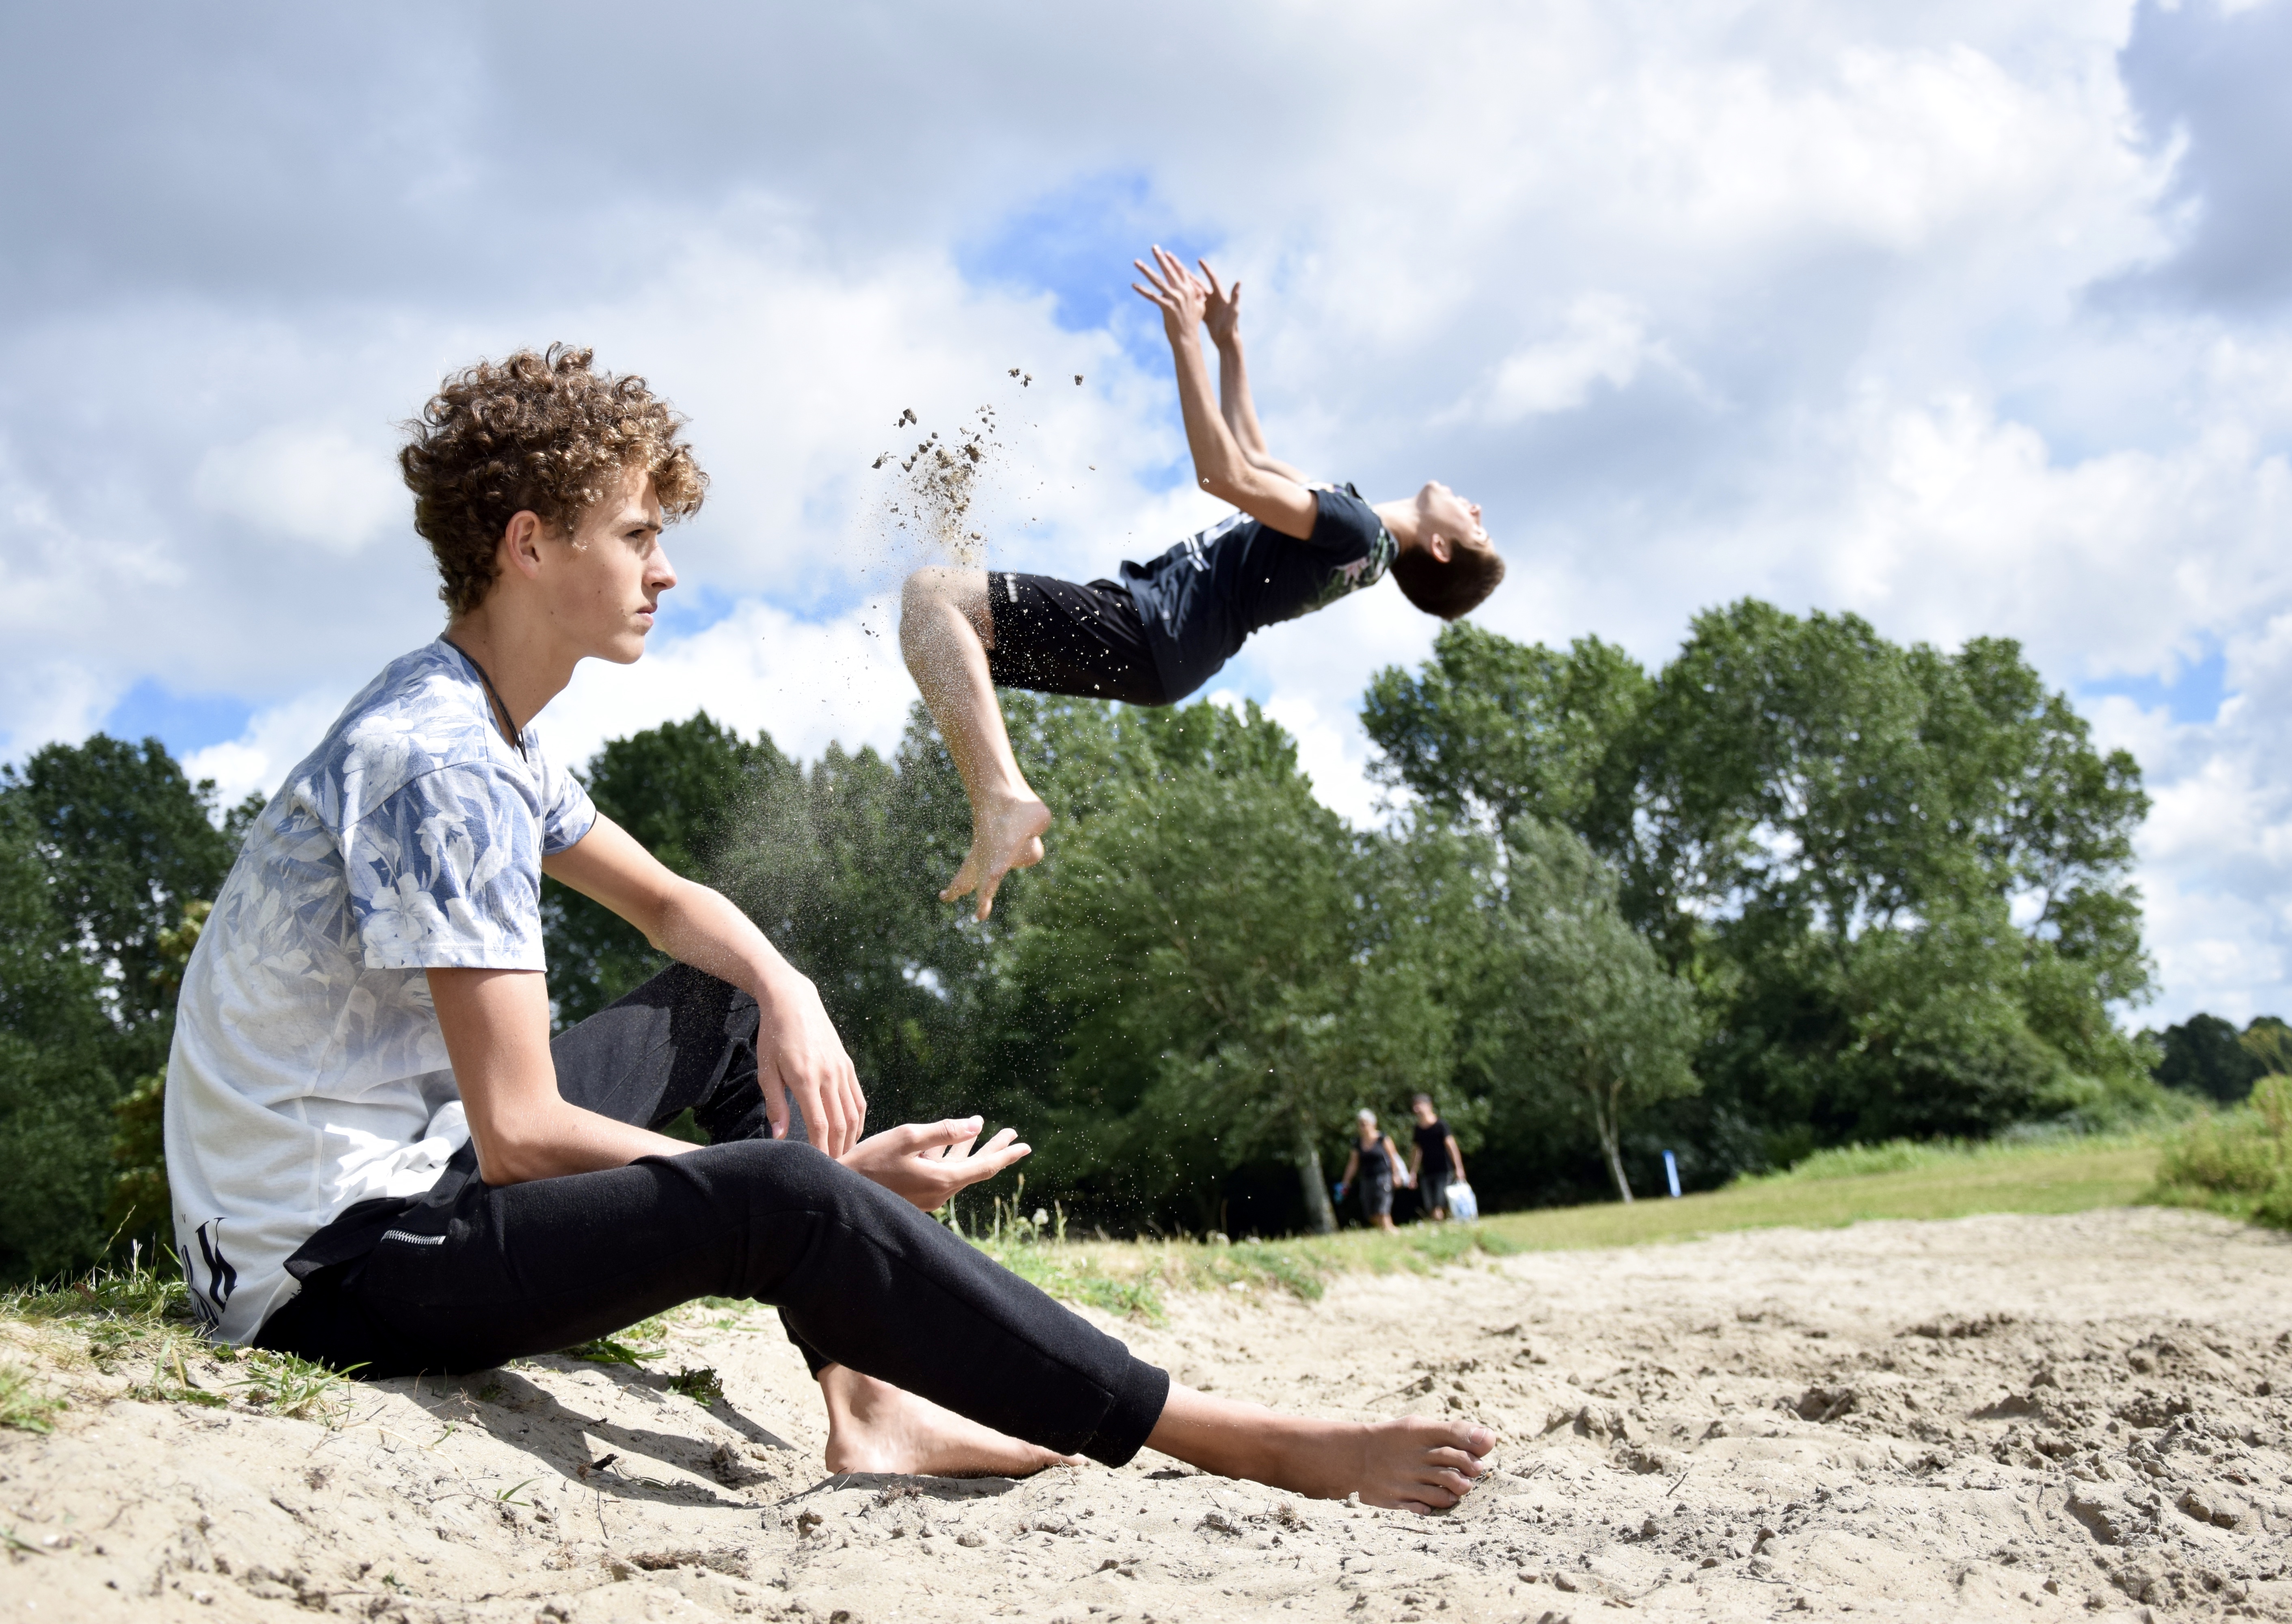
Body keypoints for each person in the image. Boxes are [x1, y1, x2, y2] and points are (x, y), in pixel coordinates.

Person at [162, 344, 1495, 1511]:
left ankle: (869, 1402)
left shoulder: (482, 731)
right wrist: (839, 1193)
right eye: (636, 536)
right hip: (334, 1270)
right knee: (793, 1194)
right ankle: (1234, 1437)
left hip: (414, 1176)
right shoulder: (439, 765)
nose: (665, 569)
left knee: (732, 1002)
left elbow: (671, 904)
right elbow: (521, 1138)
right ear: (529, 544)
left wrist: (783, 980)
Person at [900, 246, 1506, 920]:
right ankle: (1003, 805)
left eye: (1477, 530)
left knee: (936, 596)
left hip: (1153, 629)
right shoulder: (1361, 539)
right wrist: (1230, 345)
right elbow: (1253, 454)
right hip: (1160, 644)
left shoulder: (1360, 531)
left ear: (1444, 549)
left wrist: (1185, 338)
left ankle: (1005, 804)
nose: (1477, 509)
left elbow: (1225, 475)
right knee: (946, 632)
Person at [1336, 1108, 1406, 1233]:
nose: (1363, 1127)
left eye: (1365, 1124)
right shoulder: (1357, 1144)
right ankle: (1389, 1230)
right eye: (1361, 1124)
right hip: (1367, 1179)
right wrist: (1345, 1182)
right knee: (1371, 1214)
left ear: (1373, 1124)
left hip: (1384, 1177)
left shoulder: (1383, 1139)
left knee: (1383, 1208)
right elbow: (1353, 1164)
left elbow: (1394, 1158)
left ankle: (1390, 1231)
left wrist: (1396, 1175)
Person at [1409, 1093, 1469, 1222]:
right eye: (1415, 1106)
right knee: (1431, 1206)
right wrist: (1413, 1172)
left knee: (1439, 1204)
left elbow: (1452, 1147)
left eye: (1419, 1105)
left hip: (1444, 1171)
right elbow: (1416, 1152)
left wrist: (1459, 1168)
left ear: (1429, 1106)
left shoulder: (1441, 1125)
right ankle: (1444, 1225)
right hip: (1427, 1172)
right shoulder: (1418, 1129)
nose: (1416, 1109)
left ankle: (1444, 1226)